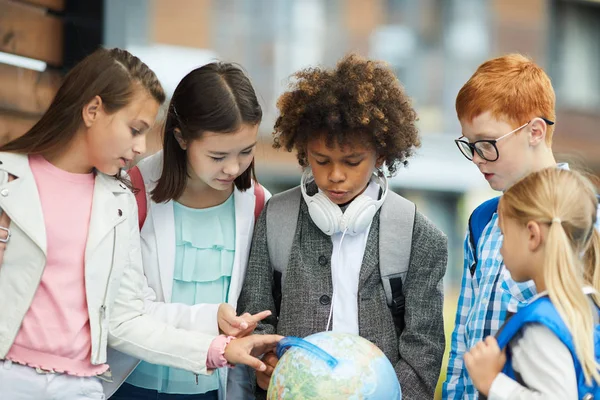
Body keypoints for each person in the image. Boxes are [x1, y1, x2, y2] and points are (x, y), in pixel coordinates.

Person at [0, 48, 281, 400]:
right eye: (135, 130)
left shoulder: (116, 198)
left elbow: (126, 314)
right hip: (68, 380)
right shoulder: (121, 189)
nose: (139, 147)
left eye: (245, 152)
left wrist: (218, 343)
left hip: (96, 385)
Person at [237, 54, 448, 400]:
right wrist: (264, 360)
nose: (335, 175)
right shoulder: (276, 217)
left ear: (381, 155)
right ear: (305, 152)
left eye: (352, 162)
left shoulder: (419, 237)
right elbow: (256, 313)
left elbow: (423, 349)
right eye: (321, 161)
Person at [109, 62, 271, 400]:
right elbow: (127, 311)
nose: (232, 167)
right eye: (217, 155)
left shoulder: (258, 203)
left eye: (245, 152)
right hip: (130, 383)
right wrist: (212, 318)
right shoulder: (129, 192)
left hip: (217, 387)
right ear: (181, 138)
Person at [443, 53, 600, 399]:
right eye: (469, 145)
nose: (476, 157)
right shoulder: (482, 220)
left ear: (534, 131)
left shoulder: (585, 218)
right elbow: (463, 339)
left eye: (487, 143)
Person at [464, 167, 600, 399]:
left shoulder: (542, 325)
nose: (501, 247)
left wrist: (491, 382)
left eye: (504, 235)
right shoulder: (587, 309)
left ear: (533, 235)